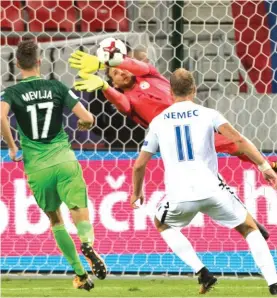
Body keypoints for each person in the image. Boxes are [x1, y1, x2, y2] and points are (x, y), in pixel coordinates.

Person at [69, 50, 273, 239]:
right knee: (217, 173)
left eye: (122, 69)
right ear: (114, 83)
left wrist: (102, 62)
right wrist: (104, 87)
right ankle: (250, 217)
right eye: (114, 74)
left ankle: (266, 174)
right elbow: (121, 103)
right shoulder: (127, 100)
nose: (122, 72)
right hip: (176, 143)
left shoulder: (150, 75)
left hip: (196, 126)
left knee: (238, 147)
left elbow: (132, 64)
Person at [130, 69, 277, 295]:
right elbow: (237, 139)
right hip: (212, 190)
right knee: (249, 228)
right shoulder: (208, 114)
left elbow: (139, 164)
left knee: (161, 223)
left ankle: (202, 271)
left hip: (179, 196)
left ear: (170, 92)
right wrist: (264, 166)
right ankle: (273, 281)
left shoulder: (158, 122)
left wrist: (136, 192)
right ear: (194, 90)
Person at [0, 40, 107, 291]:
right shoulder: (57, 86)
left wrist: (13, 146)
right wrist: (86, 125)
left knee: (55, 219)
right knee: (79, 208)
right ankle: (87, 242)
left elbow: (0, 114)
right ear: (40, 62)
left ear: (17, 65)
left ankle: (80, 274)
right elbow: (88, 118)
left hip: (37, 167)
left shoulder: (12, 93)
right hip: (64, 160)